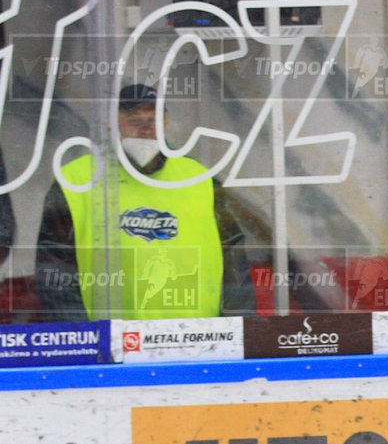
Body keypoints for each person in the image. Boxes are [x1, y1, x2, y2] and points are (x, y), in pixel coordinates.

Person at [34, 83, 255, 321]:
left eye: (153, 120)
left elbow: (233, 261)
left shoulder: (198, 179)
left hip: (197, 343)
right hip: (111, 345)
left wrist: (239, 333)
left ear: (166, 123)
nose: (146, 129)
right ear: (111, 124)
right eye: (134, 120)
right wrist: (81, 341)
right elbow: (55, 267)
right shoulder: (77, 179)